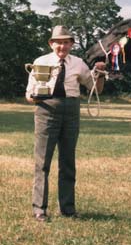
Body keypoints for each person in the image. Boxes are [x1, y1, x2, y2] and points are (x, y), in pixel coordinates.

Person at [25, 25, 106, 222]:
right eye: (58, 42)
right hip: (46, 110)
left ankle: (68, 208)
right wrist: (35, 97)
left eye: (66, 42)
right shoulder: (40, 62)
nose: (62, 46)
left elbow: (95, 89)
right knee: (42, 162)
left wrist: (100, 74)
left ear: (71, 44)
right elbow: (28, 94)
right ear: (51, 43)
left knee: (68, 161)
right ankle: (39, 209)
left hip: (71, 110)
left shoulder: (79, 63)